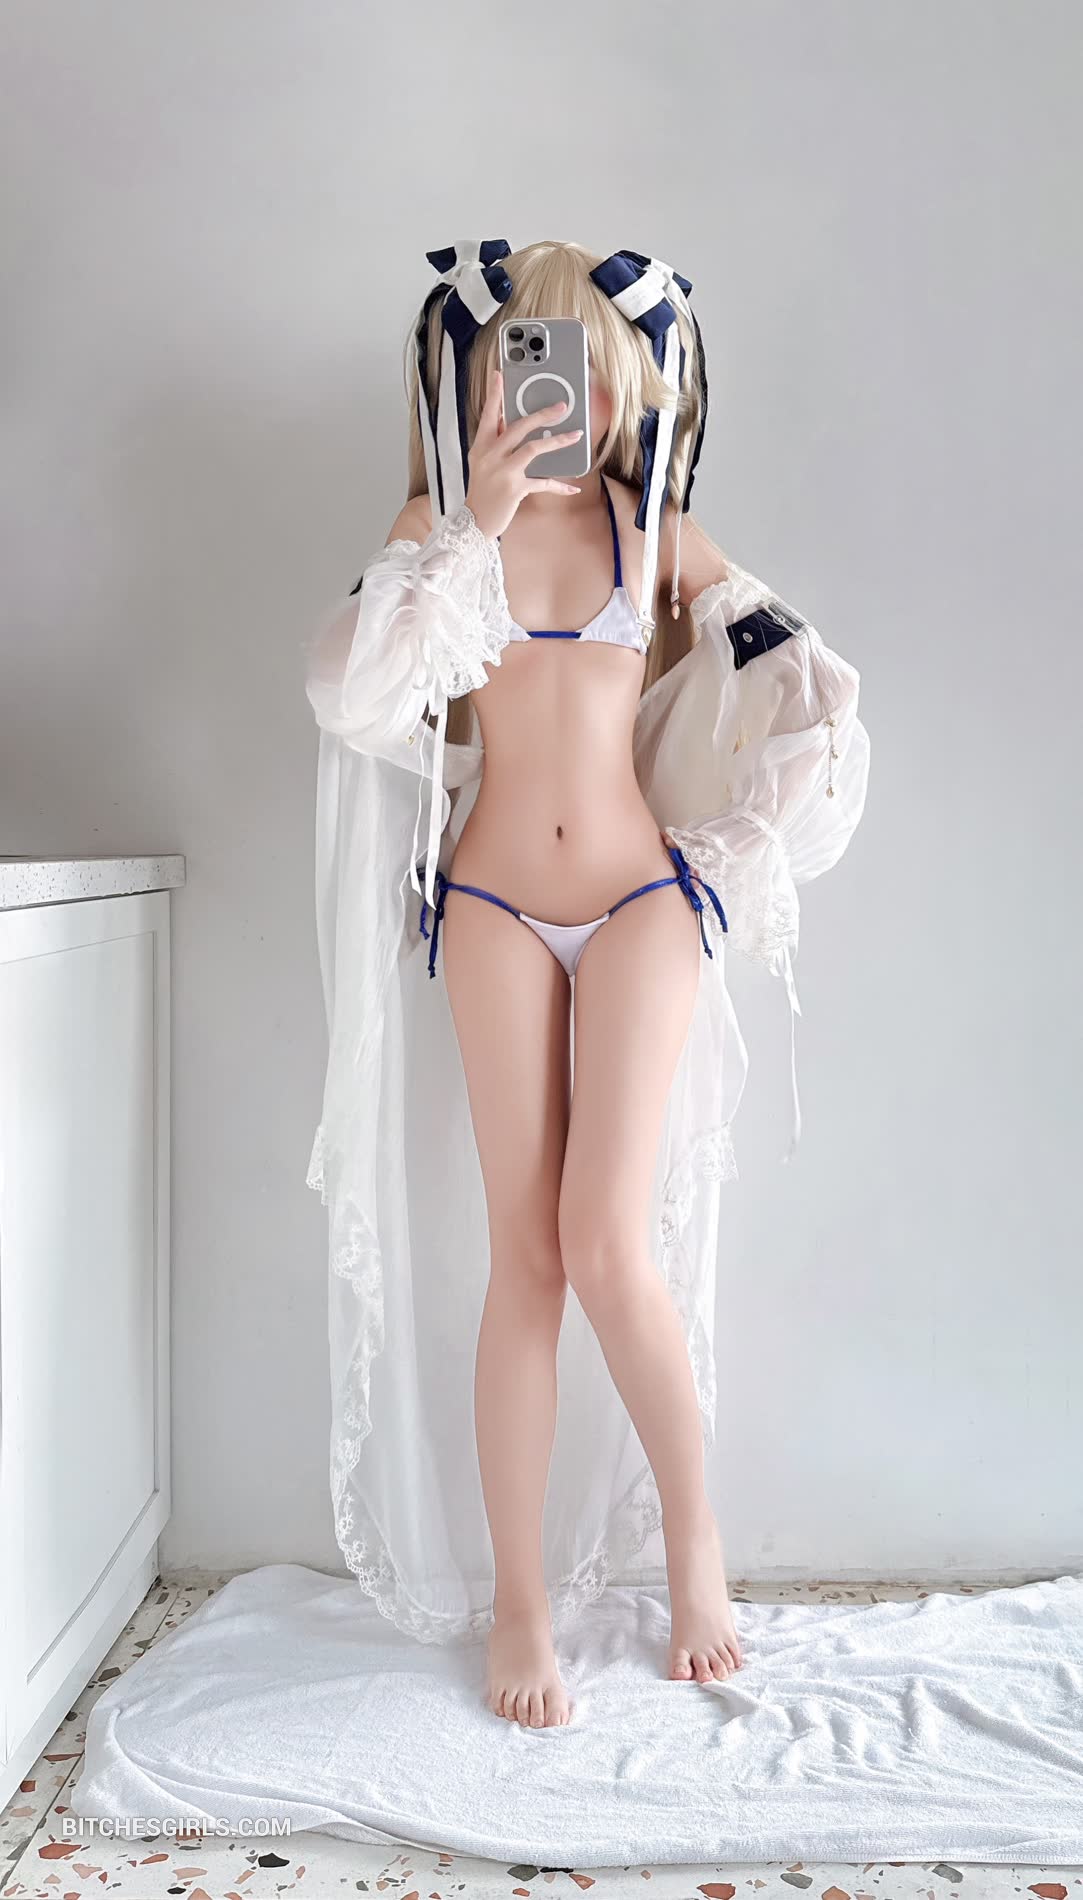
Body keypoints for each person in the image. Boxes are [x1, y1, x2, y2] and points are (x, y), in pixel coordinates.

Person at [302, 238, 871, 1731]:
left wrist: (743, 811)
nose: (559, 400)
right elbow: (350, 688)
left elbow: (806, 689)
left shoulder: (652, 528)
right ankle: (520, 1600)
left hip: (636, 901)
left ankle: (695, 1544)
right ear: (482, 378)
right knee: (527, 1258)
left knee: (607, 1240)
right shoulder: (442, 527)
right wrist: (468, 532)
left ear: (626, 388)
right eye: (526, 365)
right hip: (493, 901)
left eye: (585, 373)